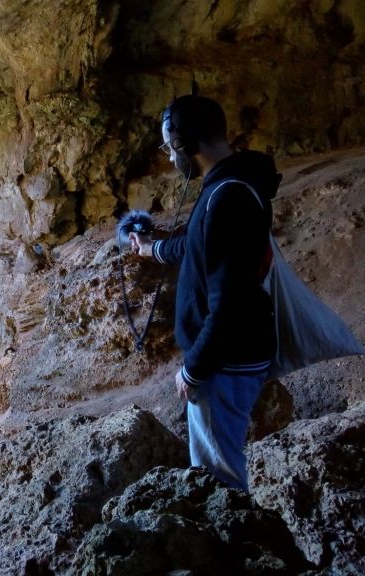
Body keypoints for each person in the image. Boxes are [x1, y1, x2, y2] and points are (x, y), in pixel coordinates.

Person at [129, 95, 281, 492]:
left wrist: (194, 369)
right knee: (222, 462)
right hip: (237, 351)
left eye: (168, 146)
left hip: (225, 363)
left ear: (183, 143)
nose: (169, 156)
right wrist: (152, 248)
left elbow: (227, 302)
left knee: (220, 477)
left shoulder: (227, 197)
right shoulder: (230, 183)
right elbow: (199, 246)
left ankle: (237, 546)